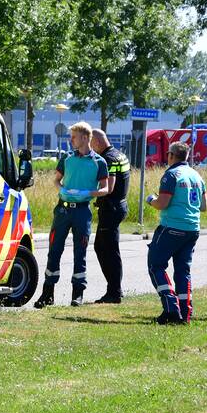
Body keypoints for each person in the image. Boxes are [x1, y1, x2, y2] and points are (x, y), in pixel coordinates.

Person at [34, 121, 111, 308]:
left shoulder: (98, 162)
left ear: (85, 138)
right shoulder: (67, 158)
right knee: (54, 251)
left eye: (73, 137)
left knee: (80, 252)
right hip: (62, 210)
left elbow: (106, 188)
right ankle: (47, 293)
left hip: (82, 212)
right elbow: (57, 180)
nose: (71, 140)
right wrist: (63, 190)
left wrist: (87, 194)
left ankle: (77, 294)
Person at [146, 141, 207, 324]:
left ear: (171, 156)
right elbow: (203, 206)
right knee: (183, 271)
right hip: (192, 229)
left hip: (172, 227)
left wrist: (151, 200)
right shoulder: (197, 176)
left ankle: (171, 307)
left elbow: (162, 203)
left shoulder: (171, 175)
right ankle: (185, 313)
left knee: (155, 265)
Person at [90, 129, 130, 303]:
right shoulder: (119, 154)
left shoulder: (108, 159)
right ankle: (114, 289)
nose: (91, 148)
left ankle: (114, 292)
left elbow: (110, 187)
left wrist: (88, 193)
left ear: (97, 142)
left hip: (111, 208)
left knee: (109, 250)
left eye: (91, 144)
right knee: (102, 247)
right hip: (118, 206)